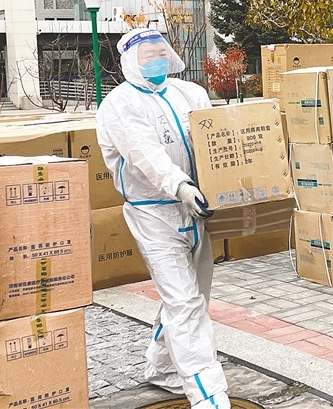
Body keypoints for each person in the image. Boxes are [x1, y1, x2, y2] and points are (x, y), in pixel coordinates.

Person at [96, 27, 230, 409]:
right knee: (185, 303)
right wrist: (181, 186)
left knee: (193, 298)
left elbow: (216, 139)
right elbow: (145, 154)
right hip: (154, 214)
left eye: (160, 52)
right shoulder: (120, 105)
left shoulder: (190, 93)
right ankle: (209, 396)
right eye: (147, 55)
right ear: (129, 62)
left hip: (197, 209)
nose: (156, 60)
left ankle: (162, 367)